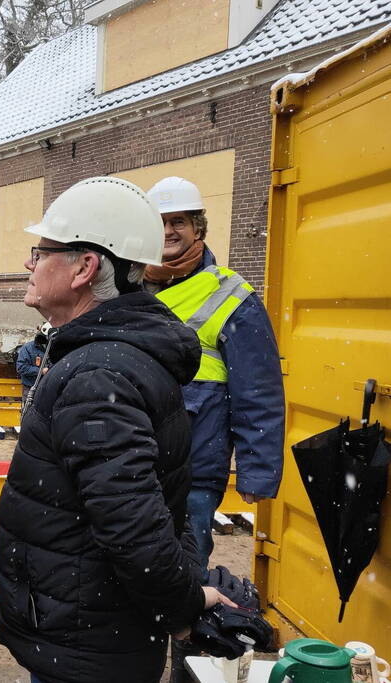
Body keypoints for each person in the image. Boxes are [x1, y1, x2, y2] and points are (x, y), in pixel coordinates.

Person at [0, 177, 235, 683]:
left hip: (88, 644)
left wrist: (184, 607)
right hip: (96, 630)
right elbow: (160, 508)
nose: (28, 263)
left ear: (85, 267)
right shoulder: (110, 356)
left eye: (42, 251)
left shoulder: (97, 374)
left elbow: (135, 527)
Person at [144, 176, 284, 574]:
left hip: (195, 468)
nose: (169, 231)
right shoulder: (127, 285)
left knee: (184, 569)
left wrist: (257, 471)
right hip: (130, 458)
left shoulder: (231, 294)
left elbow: (258, 388)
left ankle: (183, 636)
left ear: (198, 228)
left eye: (179, 222)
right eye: (160, 222)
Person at [15, 322, 50, 404]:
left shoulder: (54, 347)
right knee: (28, 413)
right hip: (30, 388)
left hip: (48, 388)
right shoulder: (28, 348)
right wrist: (41, 371)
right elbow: (21, 367)